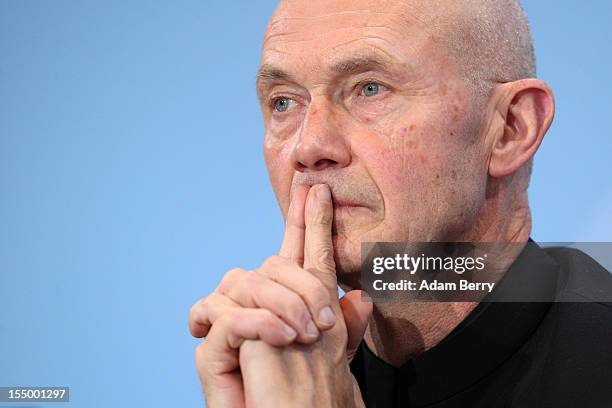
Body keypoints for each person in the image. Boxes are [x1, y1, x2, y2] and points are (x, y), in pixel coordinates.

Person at [188, 0, 612, 406]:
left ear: (511, 129)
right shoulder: (276, 377)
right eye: (284, 101)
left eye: (370, 89)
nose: (310, 144)